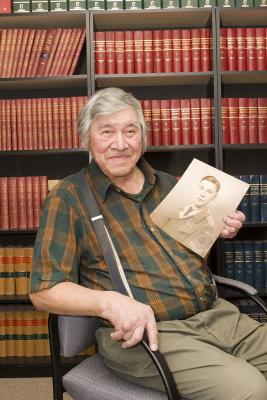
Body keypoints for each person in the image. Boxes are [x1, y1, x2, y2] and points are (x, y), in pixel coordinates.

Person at [29, 87, 267, 400]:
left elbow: (184, 260)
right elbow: (44, 290)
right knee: (250, 389)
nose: (120, 143)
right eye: (107, 131)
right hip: (148, 337)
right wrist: (110, 303)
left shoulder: (172, 185)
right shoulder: (68, 198)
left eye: (130, 131)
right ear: (85, 138)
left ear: (144, 137)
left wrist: (218, 228)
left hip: (217, 316)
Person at [162, 176, 220, 257]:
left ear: (214, 197)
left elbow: (188, 257)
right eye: (201, 188)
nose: (202, 194)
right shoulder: (181, 209)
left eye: (209, 192)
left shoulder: (208, 226)